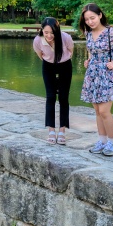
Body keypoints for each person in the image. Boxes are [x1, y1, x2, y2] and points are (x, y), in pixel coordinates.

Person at [79, 3, 113, 157]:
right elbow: (91, 50)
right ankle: (102, 141)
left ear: (100, 15)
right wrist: (88, 60)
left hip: (108, 74)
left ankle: (112, 142)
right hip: (93, 74)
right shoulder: (88, 33)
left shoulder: (112, 32)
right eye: (87, 19)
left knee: (104, 111)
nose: (90, 21)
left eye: (93, 18)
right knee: (97, 111)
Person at [32, 17, 74, 145]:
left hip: (65, 65)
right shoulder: (38, 40)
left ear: (57, 30)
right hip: (48, 66)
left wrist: (61, 62)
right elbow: (40, 55)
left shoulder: (65, 37)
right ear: (42, 31)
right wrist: (50, 62)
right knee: (50, 97)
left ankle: (62, 131)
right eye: (46, 32)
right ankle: (51, 130)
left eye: (52, 32)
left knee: (63, 98)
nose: (49, 35)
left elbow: (71, 51)